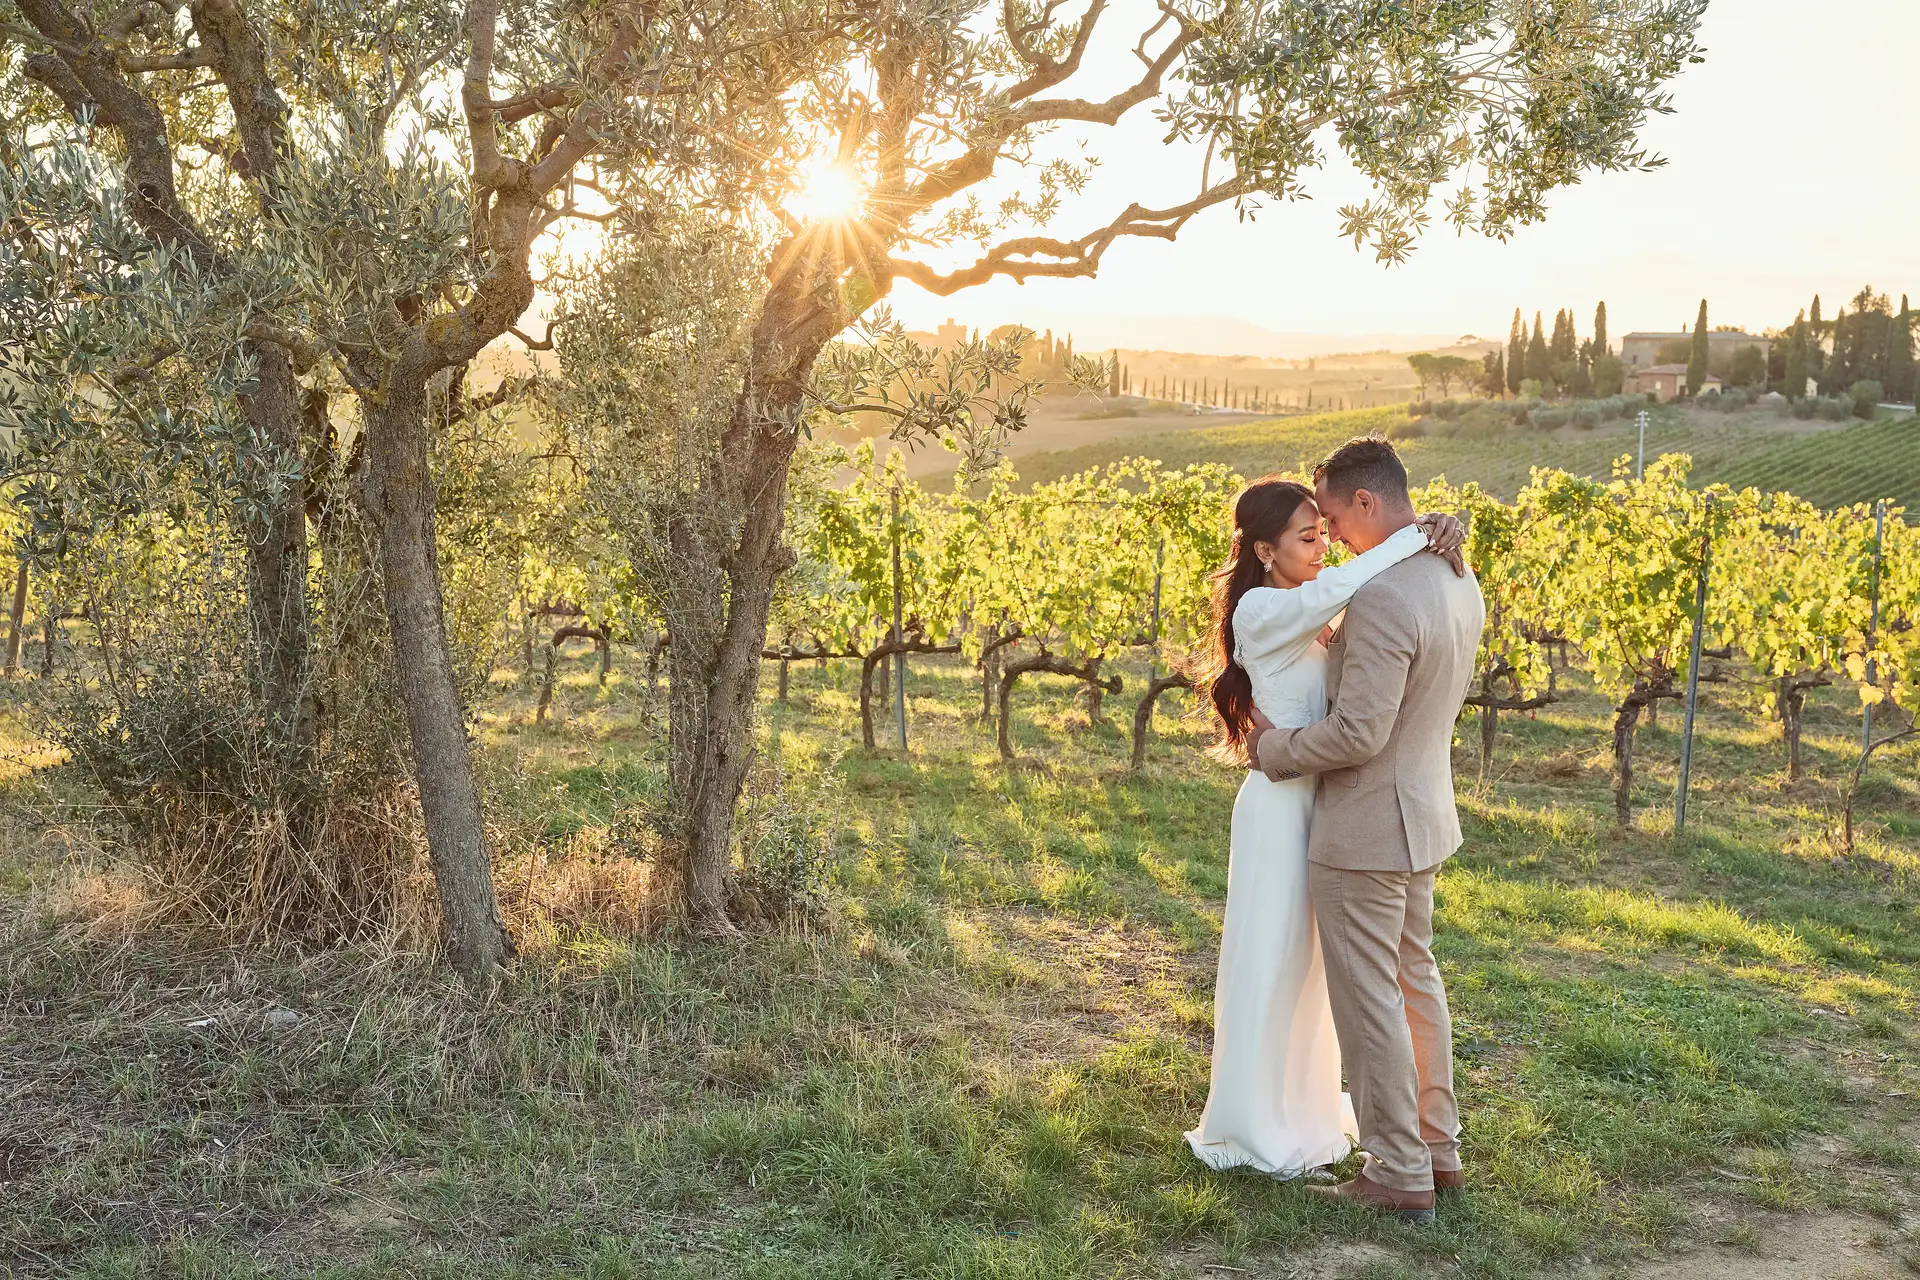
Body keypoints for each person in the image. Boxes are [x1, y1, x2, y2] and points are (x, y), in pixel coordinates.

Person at [1184, 461, 1465, 1187]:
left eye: (1325, 530)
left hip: (1335, 803)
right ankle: (1254, 1118)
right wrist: (1418, 534)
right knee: (1273, 961)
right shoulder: (1265, 612)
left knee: (1322, 976)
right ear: (1263, 552)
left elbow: (1347, 613)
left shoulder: (1314, 601)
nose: (1325, 547)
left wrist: (1426, 528)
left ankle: (1308, 1112)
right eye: (1309, 537)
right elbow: (1349, 587)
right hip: (1284, 804)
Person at [1248, 437, 1486, 1224]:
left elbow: (1357, 733)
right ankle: (1437, 1149)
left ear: (1366, 504)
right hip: (1421, 816)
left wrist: (1272, 750)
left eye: (1335, 519)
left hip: (1365, 829)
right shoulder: (1455, 573)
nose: (1335, 538)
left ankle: (1396, 1167)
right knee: (1416, 985)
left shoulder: (1383, 596)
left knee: (1371, 999)